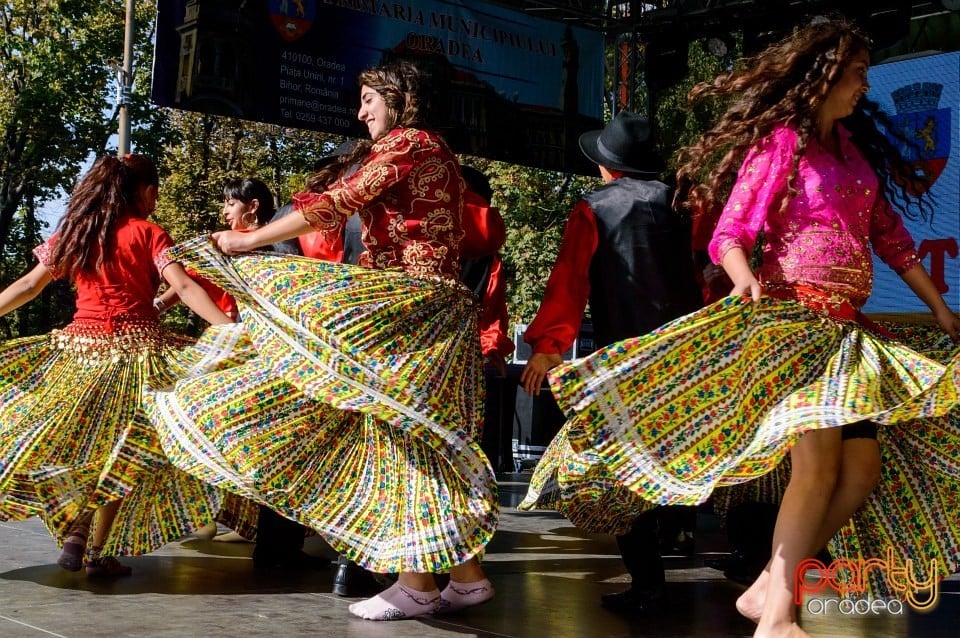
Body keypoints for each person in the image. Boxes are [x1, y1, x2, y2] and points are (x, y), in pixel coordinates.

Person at [522, 18, 960, 638]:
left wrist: (938, 306)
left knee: (860, 472)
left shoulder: (852, 155)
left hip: (841, 335)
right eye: (859, 70)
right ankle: (777, 617)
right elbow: (732, 231)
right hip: (792, 326)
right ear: (825, 73)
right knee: (817, 468)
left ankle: (765, 588)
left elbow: (891, 238)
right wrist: (742, 276)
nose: (866, 83)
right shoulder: (783, 141)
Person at [147, 59, 499, 621]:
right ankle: (466, 574)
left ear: (395, 96)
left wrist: (249, 241)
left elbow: (337, 204)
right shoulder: (434, 150)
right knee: (421, 436)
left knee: (397, 435)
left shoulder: (410, 144)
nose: (360, 113)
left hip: (412, 308)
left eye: (367, 100)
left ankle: (416, 582)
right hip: (432, 308)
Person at [0, 153, 232, 577]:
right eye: (154, 195)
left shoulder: (77, 233)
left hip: (79, 354)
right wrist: (231, 331)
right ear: (146, 193)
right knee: (127, 450)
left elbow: (30, 286)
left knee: (73, 442)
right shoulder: (149, 233)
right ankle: (94, 547)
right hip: (137, 357)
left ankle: (81, 535)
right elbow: (183, 286)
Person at [517, 111, 703, 613]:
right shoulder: (686, 204)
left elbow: (570, 281)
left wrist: (549, 346)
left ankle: (648, 584)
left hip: (625, 359)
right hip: (687, 354)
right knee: (680, 451)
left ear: (607, 167)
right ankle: (681, 534)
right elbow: (710, 275)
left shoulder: (595, 208)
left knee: (625, 467)